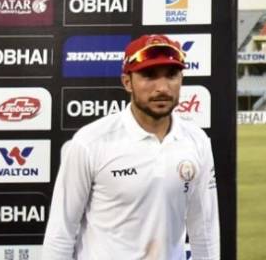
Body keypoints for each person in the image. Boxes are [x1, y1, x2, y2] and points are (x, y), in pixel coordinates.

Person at [42, 34, 219, 259]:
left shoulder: (197, 141)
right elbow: (61, 233)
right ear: (127, 82)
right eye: (149, 76)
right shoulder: (90, 142)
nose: (162, 88)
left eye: (172, 75)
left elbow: (204, 229)